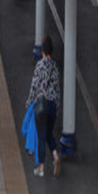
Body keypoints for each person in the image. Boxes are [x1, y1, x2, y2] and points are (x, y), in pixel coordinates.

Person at [26, 35, 61, 177]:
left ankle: (41, 169)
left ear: (43, 51)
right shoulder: (55, 67)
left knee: (41, 136)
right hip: (52, 106)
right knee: (48, 134)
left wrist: (29, 101)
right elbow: (57, 89)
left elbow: (34, 86)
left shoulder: (40, 66)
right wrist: (57, 106)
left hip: (41, 105)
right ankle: (55, 156)